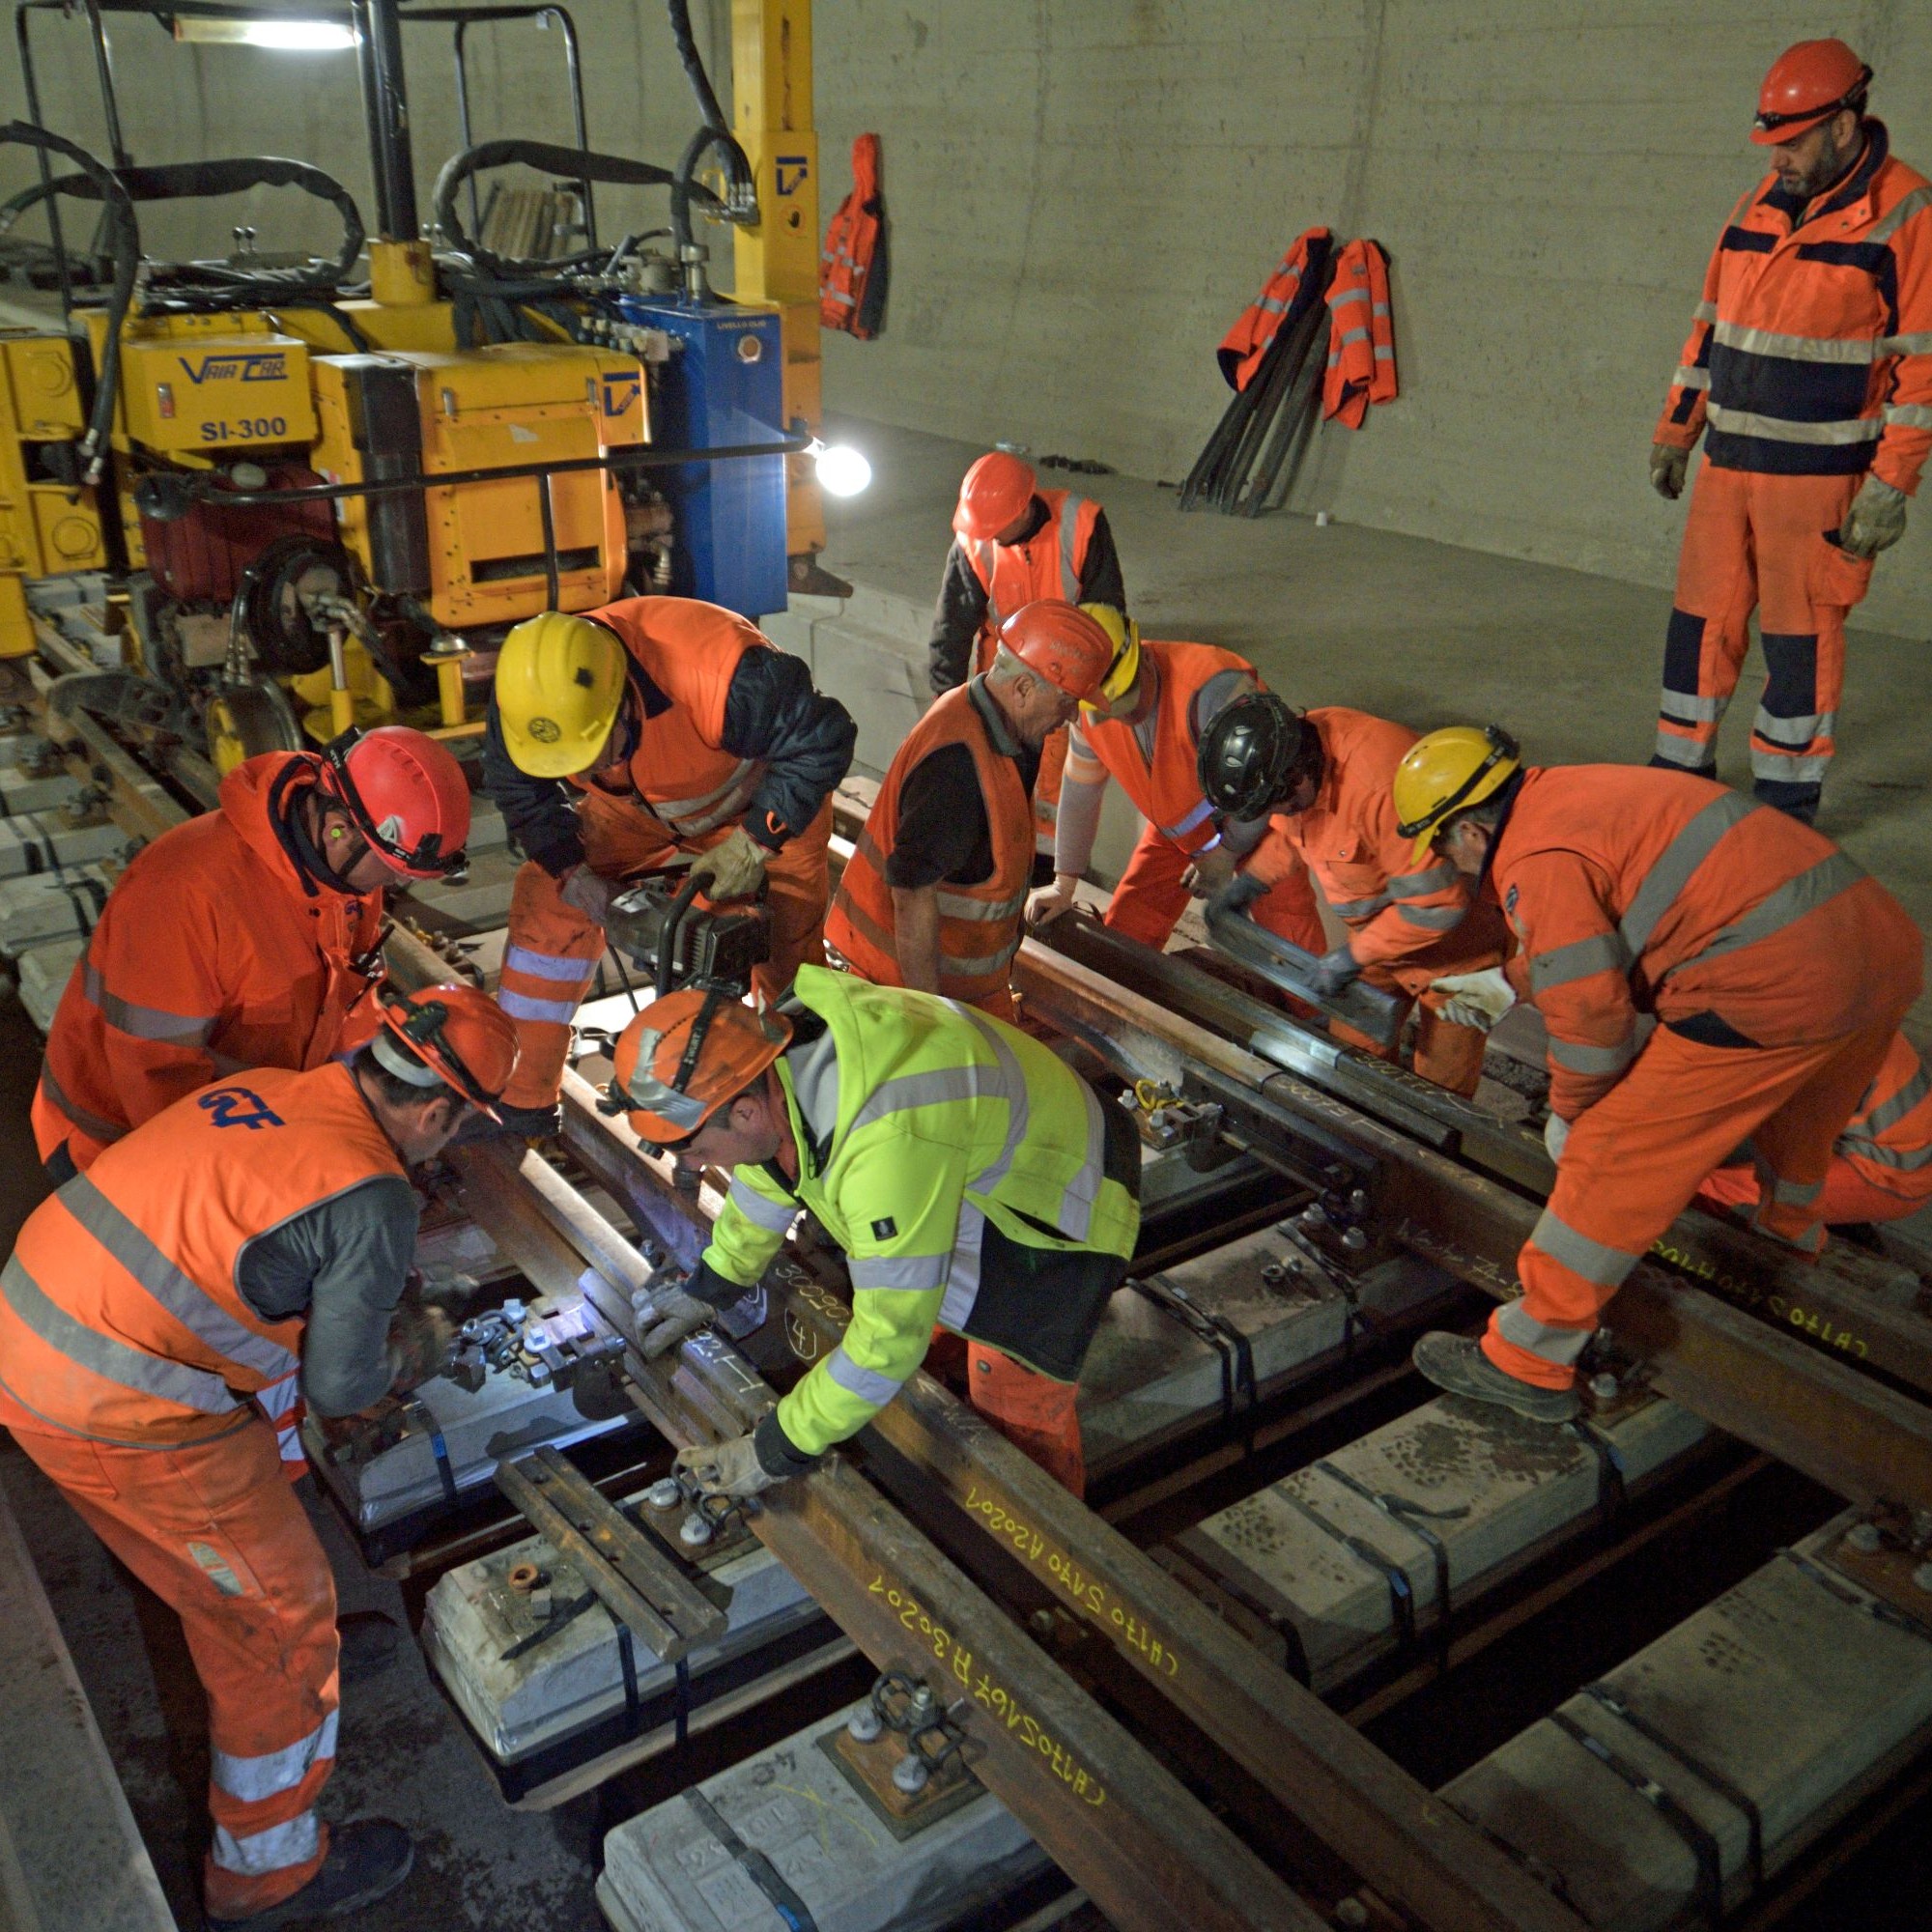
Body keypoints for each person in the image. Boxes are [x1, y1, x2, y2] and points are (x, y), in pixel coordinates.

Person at [0, 983, 519, 1928]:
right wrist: (414, 1342)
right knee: (279, 1616)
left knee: (255, 1563)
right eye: (461, 1127)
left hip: (41, 1304)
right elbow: (339, 1387)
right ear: (439, 1109)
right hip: (112, 1396)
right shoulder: (370, 1192)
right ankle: (266, 1870)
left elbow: (250, 1261)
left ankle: (270, 1655)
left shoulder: (281, 1088)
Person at [1392, 726, 1920, 1422]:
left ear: (1466, 828)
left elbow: (1593, 1015)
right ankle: (1787, 1242)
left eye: (1441, 847)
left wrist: (1577, 1113)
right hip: (1880, 953)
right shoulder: (1577, 791)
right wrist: (1511, 981)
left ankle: (1527, 1358)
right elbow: (1623, 919)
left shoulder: (1534, 856)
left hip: (1770, 980)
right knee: (1801, 1130)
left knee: (1615, 1154)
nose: (1450, 866)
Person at [30, 724, 470, 1476]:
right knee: (215, 1342)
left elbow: (346, 1019)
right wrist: (316, 1209)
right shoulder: (187, 891)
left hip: (257, 1133)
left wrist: (367, 1149)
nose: (387, 890)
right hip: (125, 1152)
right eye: (388, 869)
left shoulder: (342, 885)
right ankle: (233, 1474)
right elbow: (157, 1088)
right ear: (338, 826)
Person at [607, 967, 1141, 1495]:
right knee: (925, 1333)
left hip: (1061, 1207)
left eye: (697, 1152)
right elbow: (771, 1175)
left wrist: (775, 1447)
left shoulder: (881, 1145)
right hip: (986, 1158)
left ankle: (1043, 1540)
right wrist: (713, 1286)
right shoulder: (776, 1061)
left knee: (1013, 1402)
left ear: (743, 1114)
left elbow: (888, 1338)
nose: (697, 1168)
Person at [1649, 38, 1932, 824]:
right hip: (1728, 466)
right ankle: (1677, 776)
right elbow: (1709, 328)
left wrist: (1892, 484)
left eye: (1791, 141)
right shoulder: (1756, 207)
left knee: (1798, 641)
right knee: (1699, 624)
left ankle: (1784, 804)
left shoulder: (1907, 216)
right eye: (1770, 143)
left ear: (1843, 125)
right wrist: (1678, 427)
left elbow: (1924, 371)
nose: (1776, 160)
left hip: (1815, 486)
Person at [483, 598, 857, 1130]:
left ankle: (803, 1120)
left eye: (592, 753)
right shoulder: (528, 705)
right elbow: (520, 792)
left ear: (621, 701)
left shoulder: (725, 676)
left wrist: (755, 842)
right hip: (637, 812)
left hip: (761, 809)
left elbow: (825, 738)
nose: (584, 771)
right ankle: (522, 1097)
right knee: (547, 897)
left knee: (788, 959)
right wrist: (573, 872)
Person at [1193, 695, 1511, 1096]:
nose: (1278, 814)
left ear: (1295, 776)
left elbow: (1437, 904)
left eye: (1277, 804)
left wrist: (1351, 958)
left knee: (1440, 1095)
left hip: (1458, 946)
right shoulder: (1292, 758)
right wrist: (1252, 881)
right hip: (1380, 939)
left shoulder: (1378, 782)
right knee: (1350, 1060)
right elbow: (1300, 832)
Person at [828, 602, 1115, 1020]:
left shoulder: (1000, 725)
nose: (1072, 716)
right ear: (1022, 689)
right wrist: (932, 1016)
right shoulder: (957, 766)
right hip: (897, 994)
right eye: (1067, 701)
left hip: (966, 992)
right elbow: (910, 892)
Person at [1026, 611, 1325, 955]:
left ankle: (1310, 1012)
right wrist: (1063, 884)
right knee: (1125, 942)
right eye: (1108, 708)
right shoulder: (1089, 707)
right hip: (1175, 834)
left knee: (1293, 952)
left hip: (1258, 824)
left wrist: (1228, 851)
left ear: (1143, 661)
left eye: (1125, 699)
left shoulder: (1215, 687)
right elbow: (1082, 790)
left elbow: (1272, 772)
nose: (1121, 715)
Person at [928, 452, 1127, 869]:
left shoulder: (1081, 522)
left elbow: (1106, 614)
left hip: (1062, 690)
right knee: (995, 784)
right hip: (1003, 684)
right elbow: (954, 622)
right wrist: (945, 702)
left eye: (996, 528)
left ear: (1023, 508)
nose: (988, 535)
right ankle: (993, 862)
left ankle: (1044, 877)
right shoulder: (975, 538)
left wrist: (1085, 695)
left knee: (1051, 800)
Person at [1696, 1029, 1932, 1229]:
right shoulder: (1832, 997)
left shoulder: (1803, 1028)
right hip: (1862, 1136)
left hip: (1891, 1173)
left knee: (1709, 1193)